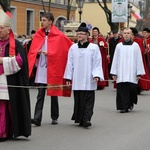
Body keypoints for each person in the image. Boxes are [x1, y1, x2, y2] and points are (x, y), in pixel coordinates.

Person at [28, 12, 72, 126]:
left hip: (53, 68)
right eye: (42, 20)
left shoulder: (59, 35)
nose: (42, 22)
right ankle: (37, 118)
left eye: (44, 20)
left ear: (50, 22)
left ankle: (54, 116)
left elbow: (65, 50)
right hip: (42, 68)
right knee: (40, 93)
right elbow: (32, 50)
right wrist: (37, 53)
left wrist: (51, 54)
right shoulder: (38, 33)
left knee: (53, 93)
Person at [64, 22, 104, 128]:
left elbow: (97, 62)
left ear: (87, 35)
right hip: (77, 78)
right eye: (78, 34)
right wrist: (68, 77)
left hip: (88, 78)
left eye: (82, 34)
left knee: (88, 99)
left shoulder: (93, 48)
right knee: (79, 99)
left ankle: (87, 118)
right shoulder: (73, 48)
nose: (79, 36)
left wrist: (96, 74)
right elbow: (69, 63)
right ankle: (80, 118)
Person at [0, 9, 31, 141]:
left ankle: (6, 131)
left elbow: (20, 62)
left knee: (8, 107)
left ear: (8, 29)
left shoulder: (16, 44)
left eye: (0, 28)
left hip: (10, 80)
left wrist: (2, 61)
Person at [110, 28, 145, 113]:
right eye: (125, 33)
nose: (126, 35)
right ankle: (123, 106)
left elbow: (139, 59)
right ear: (122, 35)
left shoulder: (135, 46)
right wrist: (114, 72)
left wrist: (139, 72)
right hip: (121, 71)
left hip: (131, 71)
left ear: (131, 35)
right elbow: (115, 59)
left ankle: (130, 103)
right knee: (122, 89)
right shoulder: (119, 46)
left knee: (131, 89)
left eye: (128, 33)